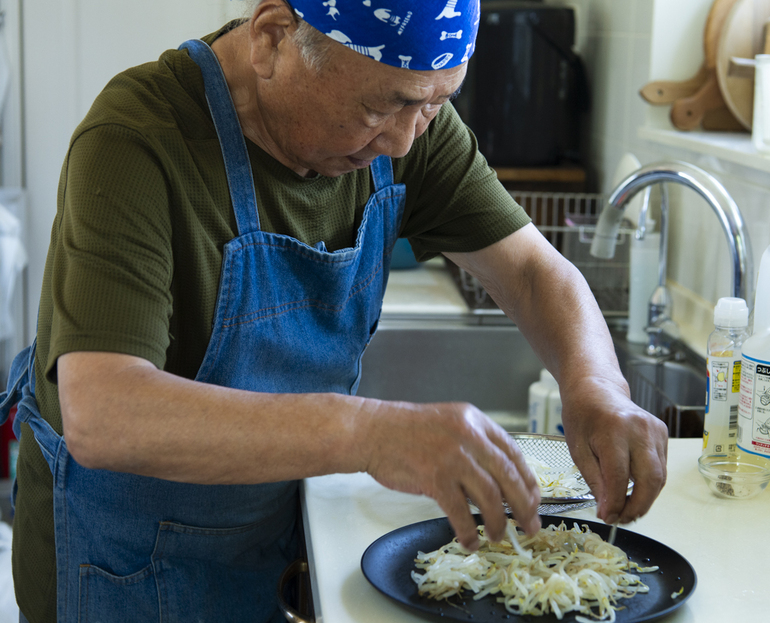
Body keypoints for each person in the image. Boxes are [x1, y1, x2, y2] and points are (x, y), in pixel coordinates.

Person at [0, 1, 668, 621]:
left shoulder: (408, 112)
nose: (407, 141)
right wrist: (371, 432)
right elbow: (105, 412)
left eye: (434, 106)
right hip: (123, 567)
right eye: (384, 106)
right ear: (272, 38)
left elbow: (529, 268)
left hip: (281, 537)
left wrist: (595, 385)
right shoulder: (137, 140)